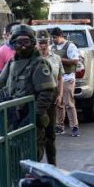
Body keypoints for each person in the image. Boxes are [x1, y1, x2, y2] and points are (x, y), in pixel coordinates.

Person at [0, 25, 58, 162]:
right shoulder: (11, 62)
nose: (23, 46)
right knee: (13, 157)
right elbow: (0, 85)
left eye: (26, 42)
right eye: (19, 42)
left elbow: (47, 92)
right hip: (14, 118)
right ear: (13, 43)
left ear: (32, 43)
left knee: (31, 158)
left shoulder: (39, 64)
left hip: (32, 119)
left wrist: (33, 115)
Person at [36, 31, 64, 164]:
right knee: (38, 135)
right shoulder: (34, 60)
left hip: (52, 98)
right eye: (40, 43)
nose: (43, 46)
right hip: (38, 99)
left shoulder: (55, 58)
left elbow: (60, 77)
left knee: (51, 134)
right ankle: (37, 166)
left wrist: (60, 95)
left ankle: (53, 165)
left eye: (45, 43)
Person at [51, 27, 81, 137]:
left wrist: (59, 59)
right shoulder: (52, 47)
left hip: (68, 78)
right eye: (52, 38)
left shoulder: (70, 46)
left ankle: (74, 126)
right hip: (57, 79)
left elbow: (75, 60)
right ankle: (59, 126)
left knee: (69, 103)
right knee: (59, 103)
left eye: (55, 37)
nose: (53, 40)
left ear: (61, 36)